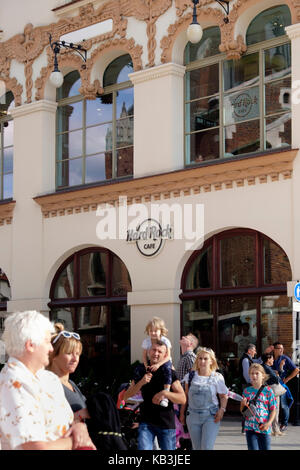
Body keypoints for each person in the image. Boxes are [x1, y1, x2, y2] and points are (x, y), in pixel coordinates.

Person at [0, 310, 96, 450]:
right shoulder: (14, 383)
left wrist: (79, 427)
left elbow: (69, 421)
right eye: (47, 341)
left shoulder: (48, 378)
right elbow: (33, 447)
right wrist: (76, 441)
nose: (51, 349)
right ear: (30, 345)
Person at [124, 340, 186, 450]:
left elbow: (182, 399)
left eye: (159, 351)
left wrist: (165, 393)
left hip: (166, 423)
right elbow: (126, 395)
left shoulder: (169, 372)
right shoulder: (141, 370)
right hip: (146, 422)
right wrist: (141, 382)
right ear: (148, 351)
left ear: (165, 354)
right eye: (153, 350)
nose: (156, 353)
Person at [179, 347, 228, 450]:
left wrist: (222, 410)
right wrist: (182, 414)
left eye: (205, 359)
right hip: (192, 416)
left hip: (210, 416)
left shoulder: (217, 377)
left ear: (211, 361)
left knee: (206, 447)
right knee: (196, 448)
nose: (202, 361)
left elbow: (223, 396)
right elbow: (186, 396)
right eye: (200, 358)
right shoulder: (190, 376)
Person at [48, 323, 89, 421]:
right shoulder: (48, 385)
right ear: (53, 355)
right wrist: (80, 415)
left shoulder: (71, 384)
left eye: (77, 354)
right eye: (69, 353)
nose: (75, 359)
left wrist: (122, 400)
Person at [240, 363, 276, 450]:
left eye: (257, 373)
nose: (254, 376)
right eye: (252, 373)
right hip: (250, 427)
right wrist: (242, 405)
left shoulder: (268, 391)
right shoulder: (246, 391)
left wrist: (269, 423)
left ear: (263, 376)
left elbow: (273, 409)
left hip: (264, 427)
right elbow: (243, 411)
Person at [142, 317, 172, 407]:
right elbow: (144, 356)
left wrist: (159, 365)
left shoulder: (165, 341)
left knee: (167, 370)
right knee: (139, 369)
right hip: (152, 361)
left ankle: (166, 394)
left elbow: (168, 356)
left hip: (164, 361)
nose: (153, 333)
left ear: (161, 331)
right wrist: (146, 366)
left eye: (156, 331)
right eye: (151, 331)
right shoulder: (146, 342)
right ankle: (139, 392)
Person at [270, 342, 299, 432]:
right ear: (274, 349)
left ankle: (284, 424)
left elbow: (297, 370)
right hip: (270, 385)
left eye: (282, 348)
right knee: (272, 405)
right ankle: (272, 423)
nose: (281, 350)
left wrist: (286, 380)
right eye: (279, 348)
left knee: (283, 405)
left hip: (280, 385)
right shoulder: (270, 358)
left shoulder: (285, 358)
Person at [261, 353, 284, 436]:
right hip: (273, 391)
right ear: (268, 359)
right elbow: (277, 379)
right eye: (272, 359)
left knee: (269, 410)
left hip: (267, 390)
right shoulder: (267, 368)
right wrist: (278, 373)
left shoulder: (263, 367)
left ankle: (272, 429)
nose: (273, 360)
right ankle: (275, 430)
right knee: (275, 409)